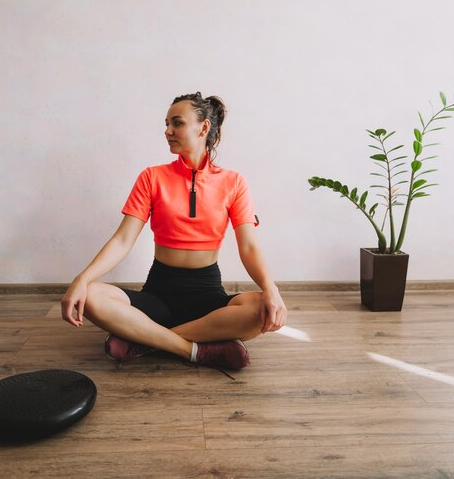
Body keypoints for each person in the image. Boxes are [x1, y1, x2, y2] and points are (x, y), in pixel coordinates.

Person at [61, 92, 287, 370]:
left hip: (208, 297)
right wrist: (82, 279)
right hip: (158, 293)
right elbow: (122, 240)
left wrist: (271, 289)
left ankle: (142, 339)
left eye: (176, 123)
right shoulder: (151, 177)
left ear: (203, 128)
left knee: (259, 310)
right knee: (93, 296)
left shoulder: (234, 182)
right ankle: (196, 350)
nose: (168, 131)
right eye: (166, 124)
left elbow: (249, 247)